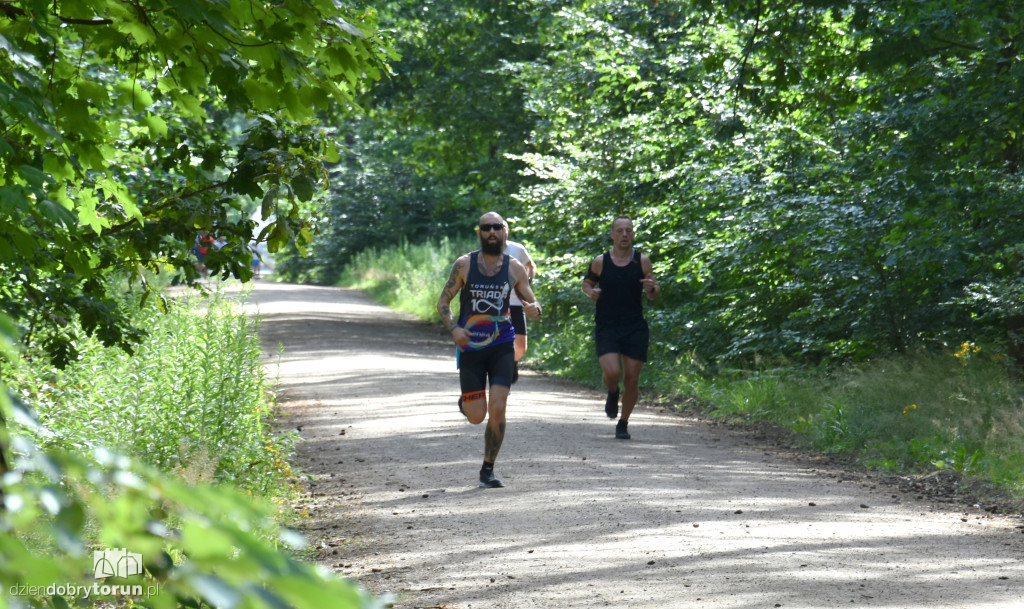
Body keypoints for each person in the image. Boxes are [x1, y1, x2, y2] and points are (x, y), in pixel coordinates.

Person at [437, 211, 543, 488]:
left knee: (499, 407)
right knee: (476, 416)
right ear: (480, 233)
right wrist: (455, 329)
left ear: (505, 231)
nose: (492, 232)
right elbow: (443, 303)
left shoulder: (514, 268)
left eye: (497, 227)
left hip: (502, 345)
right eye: (487, 228)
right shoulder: (464, 265)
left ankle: (488, 469)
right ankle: (466, 403)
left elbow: (533, 304)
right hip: (471, 347)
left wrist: (534, 310)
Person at [581, 216, 660, 440]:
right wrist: (591, 292)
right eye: (620, 231)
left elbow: (653, 294)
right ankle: (613, 391)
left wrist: (653, 288)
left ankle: (623, 423)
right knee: (613, 372)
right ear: (613, 235)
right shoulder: (601, 261)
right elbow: (587, 283)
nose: (625, 235)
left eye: (628, 231)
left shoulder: (642, 261)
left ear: (633, 234)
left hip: (634, 326)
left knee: (632, 377)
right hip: (607, 325)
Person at [502, 220, 536, 383]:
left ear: (507, 231)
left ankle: (513, 361)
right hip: (496, 304)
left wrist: (527, 281)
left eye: (502, 228)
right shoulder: (486, 252)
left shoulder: (518, 248)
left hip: (517, 302)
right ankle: (501, 368)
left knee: (521, 346)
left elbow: (531, 265)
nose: (498, 231)